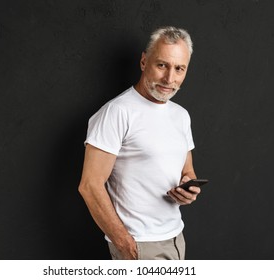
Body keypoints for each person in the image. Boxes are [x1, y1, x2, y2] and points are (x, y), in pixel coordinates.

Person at [78, 26, 201, 260]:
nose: (169, 78)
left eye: (179, 69)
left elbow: (187, 169)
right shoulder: (117, 112)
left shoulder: (181, 115)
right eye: (162, 65)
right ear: (144, 62)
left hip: (176, 237)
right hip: (139, 244)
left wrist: (189, 188)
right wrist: (124, 242)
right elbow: (90, 185)